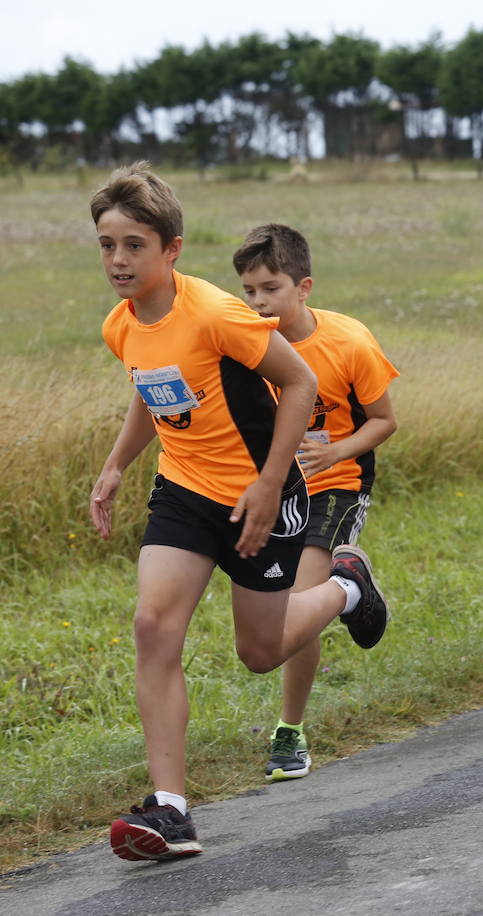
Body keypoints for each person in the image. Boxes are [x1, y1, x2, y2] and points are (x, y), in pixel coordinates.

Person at [89, 163, 387, 861]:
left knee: (258, 651)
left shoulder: (216, 312)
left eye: (134, 244)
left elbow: (299, 381)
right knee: (152, 626)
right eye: (107, 245)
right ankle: (170, 811)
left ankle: (347, 586)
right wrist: (115, 464)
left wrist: (269, 481)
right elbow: (150, 388)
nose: (119, 260)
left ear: (172, 249)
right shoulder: (121, 325)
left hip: (263, 494)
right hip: (185, 492)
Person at [233, 224, 400, 781]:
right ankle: (353, 594)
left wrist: (337, 453)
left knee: (296, 603)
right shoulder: (242, 345)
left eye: (270, 288)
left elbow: (384, 421)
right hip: (279, 491)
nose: (258, 302)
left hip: (340, 485)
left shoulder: (348, 341)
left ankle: (289, 732)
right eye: (249, 290)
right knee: (283, 610)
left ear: (303, 287)